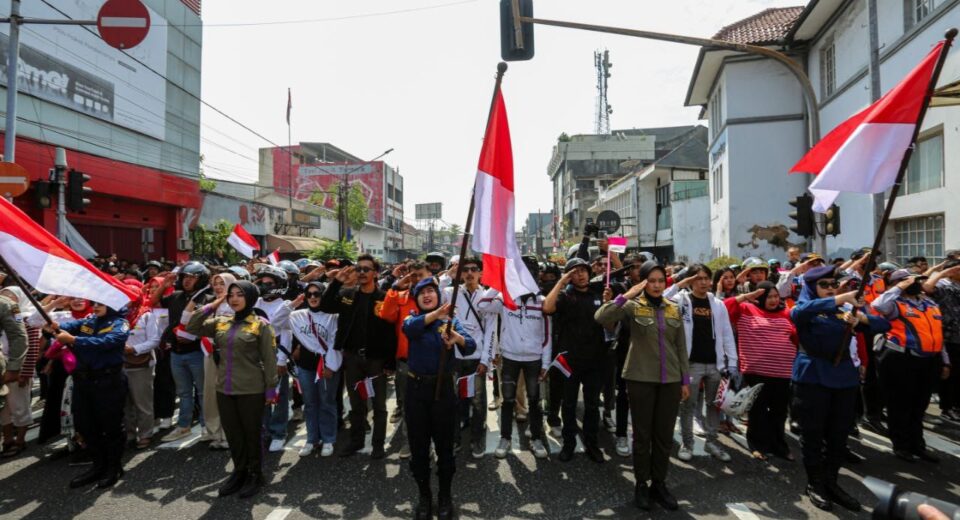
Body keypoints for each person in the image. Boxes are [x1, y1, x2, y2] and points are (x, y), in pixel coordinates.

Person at [790, 266, 889, 512]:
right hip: (813, 376)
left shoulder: (845, 310)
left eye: (834, 284)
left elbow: (883, 324)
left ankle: (831, 481)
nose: (831, 288)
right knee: (812, 434)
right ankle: (815, 483)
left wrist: (860, 319)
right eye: (824, 285)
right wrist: (840, 298)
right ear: (812, 287)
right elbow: (798, 313)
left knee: (838, 434)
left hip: (844, 378)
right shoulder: (807, 307)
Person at [595, 260, 689, 511]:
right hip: (640, 379)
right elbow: (602, 317)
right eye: (652, 281)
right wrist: (626, 295)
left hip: (670, 380)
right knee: (642, 436)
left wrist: (685, 380)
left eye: (661, 281)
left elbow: (680, 346)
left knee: (664, 436)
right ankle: (641, 484)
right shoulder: (633, 306)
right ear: (644, 282)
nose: (657, 285)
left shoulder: (673, 308)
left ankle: (659, 483)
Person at [187, 281, 278, 498]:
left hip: (251, 390)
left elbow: (270, 359)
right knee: (234, 435)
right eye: (231, 295)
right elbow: (192, 326)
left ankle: (255, 474)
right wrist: (213, 303)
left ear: (251, 298)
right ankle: (239, 472)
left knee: (252, 434)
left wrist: (271, 390)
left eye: (240, 294)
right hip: (224, 389)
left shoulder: (261, 325)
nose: (234, 299)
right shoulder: (221, 322)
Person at [403, 278, 476, 520]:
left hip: (442, 390)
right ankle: (424, 497)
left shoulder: (449, 323)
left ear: (438, 295)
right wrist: (437, 314)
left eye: (431, 291)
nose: (427, 295)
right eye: (422, 292)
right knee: (419, 448)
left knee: (445, 448)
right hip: (415, 390)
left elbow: (470, 345)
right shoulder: (414, 319)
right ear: (417, 299)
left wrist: (456, 337)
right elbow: (410, 329)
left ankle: (445, 496)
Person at [319, 254, 397, 459]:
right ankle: (356, 441)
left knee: (379, 405)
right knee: (356, 404)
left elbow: (391, 331)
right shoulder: (347, 294)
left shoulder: (384, 297)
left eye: (366, 269)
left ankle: (378, 445)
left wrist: (390, 362)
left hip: (377, 360)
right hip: (352, 358)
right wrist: (336, 282)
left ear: (375, 273)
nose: (361, 273)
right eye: (359, 269)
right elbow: (325, 306)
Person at [48, 300, 131, 489]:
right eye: (93, 303)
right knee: (86, 426)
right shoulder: (89, 321)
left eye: (101, 303)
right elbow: (64, 327)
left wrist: (74, 340)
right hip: (84, 381)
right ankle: (97, 466)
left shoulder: (119, 323)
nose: (95, 306)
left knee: (111, 427)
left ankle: (113, 468)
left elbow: (108, 341)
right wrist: (55, 326)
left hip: (108, 381)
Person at [664, 264, 738, 463]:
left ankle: (712, 441)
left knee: (714, 405)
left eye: (706, 278)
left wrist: (732, 362)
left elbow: (726, 334)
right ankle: (687, 444)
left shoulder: (718, 304)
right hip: (690, 364)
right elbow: (660, 301)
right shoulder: (680, 301)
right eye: (698, 278)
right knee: (688, 405)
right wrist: (679, 285)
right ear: (690, 281)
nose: (703, 282)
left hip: (716, 365)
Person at [872, 269, 948, 463]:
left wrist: (945, 360)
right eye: (911, 281)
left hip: (930, 360)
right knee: (900, 405)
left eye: (918, 280)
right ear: (900, 283)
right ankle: (901, 445)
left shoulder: (930, 304)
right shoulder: (894, 303)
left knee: (919, 405)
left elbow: (938, 334)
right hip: (901, 360)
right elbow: (877, 305)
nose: (917, 283)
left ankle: (917, 445)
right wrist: (898, 287)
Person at [478, 261, 552, 460]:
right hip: (510, 357)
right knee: (508, 401)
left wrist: (545, 363)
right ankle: (505, 438)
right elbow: (482, 304)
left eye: (531, 275)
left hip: (534, 360)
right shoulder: (505, 298)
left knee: (535, 401)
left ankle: (536, 438)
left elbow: (547, 335)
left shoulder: (542, 301)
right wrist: (500, 282)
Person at [543, 257, 608, 463]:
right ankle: (568, 443)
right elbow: (547, 308)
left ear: (589, 273)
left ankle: (592, 444)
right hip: (569, 361)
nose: (579, 275)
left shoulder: (598, 294)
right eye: (574, 272)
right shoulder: (564, 296)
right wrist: (561, 283)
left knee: (591, 406)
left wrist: (609, 301)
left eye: (583, 270)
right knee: (569, 405)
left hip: (595, 361)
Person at [725, 281, 797, 461]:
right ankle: (757, 445)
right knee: (757, 412)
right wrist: (744, 297)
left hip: (783, 373)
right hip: (755, 372)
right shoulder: (746, 309)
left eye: (775, 296)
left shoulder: (787, 313)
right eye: (769, 297)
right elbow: (724, 309)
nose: (773, 300)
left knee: (779, 412)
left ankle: (779, 445)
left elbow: (796, 338)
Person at [378, 260, 433, 459]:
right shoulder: (400, 296)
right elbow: (386, 315)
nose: (417, 279)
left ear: (429, 274)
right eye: (413, 275)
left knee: (433, 405)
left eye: (421, 274)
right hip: (406, 362)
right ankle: (410, 442)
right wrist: (394, 287)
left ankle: (432, 442)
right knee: (409, 406)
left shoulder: (437, 296)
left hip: (432, 362)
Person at [152, 261, 213, 439]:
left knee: (202, 392)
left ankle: (206, 427)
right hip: (176, 353)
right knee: (184, 392)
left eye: (192, 277)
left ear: (201, 279)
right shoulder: (176, 296)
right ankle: (183, 426)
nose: (187, 281)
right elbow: (154, 301)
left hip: (197, 352)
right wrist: (164, 284)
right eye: (185, 277)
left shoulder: (207, 299)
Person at [442, 257, 494, 459]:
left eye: (474, 269)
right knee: (453, 400)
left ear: (481, 273)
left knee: (478, 401)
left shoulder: (487, 297)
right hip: (453, 356)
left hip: (477, 357)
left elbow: (490, 330)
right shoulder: (450, 293)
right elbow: (434, 298)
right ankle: (454, 438)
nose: (470, 273)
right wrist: (448, 276)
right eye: (465, 270)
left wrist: (485, 360)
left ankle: (477, 438)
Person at [289, 281, 342, 457]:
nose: (312, 297)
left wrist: (331, 366)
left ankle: (328, 438)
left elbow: (336, 342)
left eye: (317, 294)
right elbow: (275, 321)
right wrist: (292, 304)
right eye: (309, 294)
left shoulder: (333, 316)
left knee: (327, 402)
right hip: (305, 366)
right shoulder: (297, 315)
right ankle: (312, 439)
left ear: (323, 295)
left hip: (326, 366)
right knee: (310, 404)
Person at [197, 272, 236, 450]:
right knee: (211, 393)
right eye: (215, 284)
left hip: (232, 355)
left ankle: (230, 433)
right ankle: (215, 431)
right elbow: (189, 321)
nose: (219, 287)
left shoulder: (237, 304)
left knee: (229, 395)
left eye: (223, 283)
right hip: (211, 353)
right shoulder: (211, 305)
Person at [121, 279, 162, 450]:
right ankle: (129, 434)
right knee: (125, 403)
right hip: (120, 364)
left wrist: (134, 349)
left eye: (131, 295)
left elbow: (154, 340)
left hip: (141, 364)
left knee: (142, 402)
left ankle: (145, 433)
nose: (127, 299)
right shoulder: (117, 316)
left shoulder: (146, 315)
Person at [925, 260, 960, 422]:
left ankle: (956, 406)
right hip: (947, 337)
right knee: (949, 374)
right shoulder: (942, 285)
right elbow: (926, 288)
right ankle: (947, 407)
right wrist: (942, 273)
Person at [0, 288, 29, 458]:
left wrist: (16, 368)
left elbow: (20, 336)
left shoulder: (10, 307)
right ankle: (8, 439)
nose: (7, 295)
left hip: (9, 367)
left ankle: (19, 440)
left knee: (17, 406)